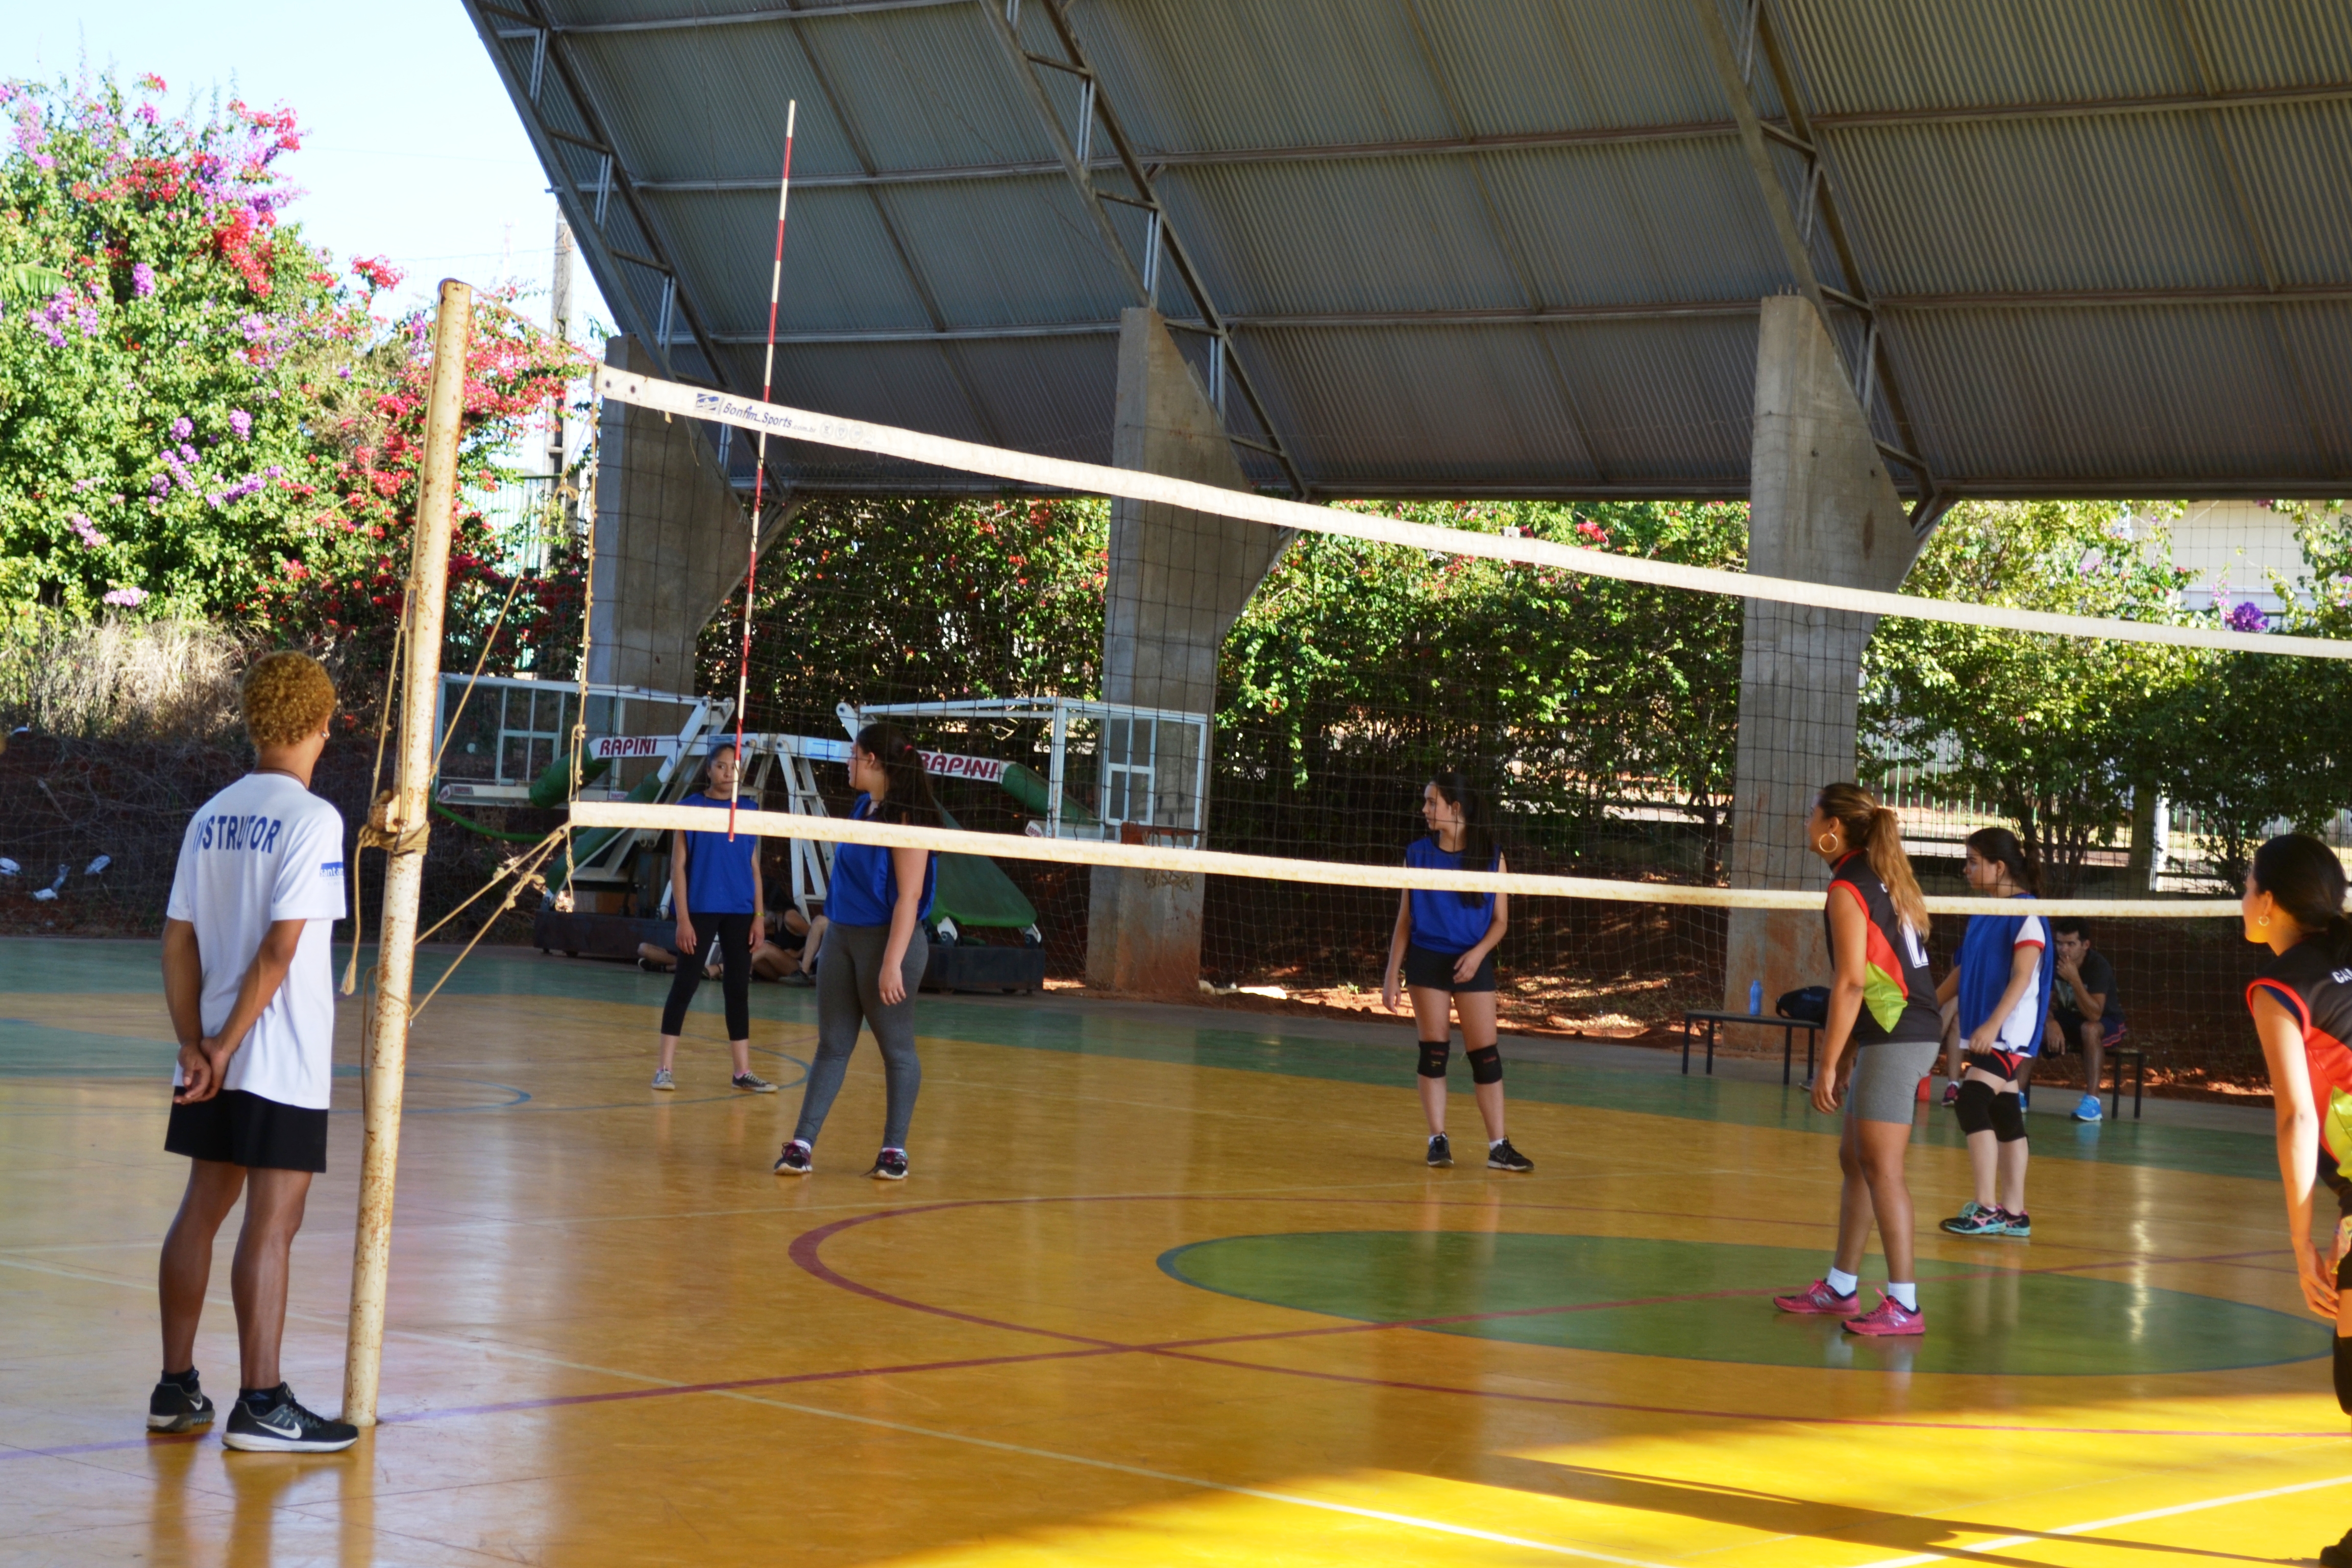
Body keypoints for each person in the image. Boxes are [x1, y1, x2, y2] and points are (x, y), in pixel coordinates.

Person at [151, 651, 358, 1451]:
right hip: (276, 1055)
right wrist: (231, 1047)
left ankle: (175, 1390)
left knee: (202, 1211)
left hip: (211, 1055)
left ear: (254, 722)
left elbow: (176, 944)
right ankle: (262, 1403)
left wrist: (195, 1048)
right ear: (320, 724)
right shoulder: (314, 821)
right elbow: (279, 953)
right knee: (272, 1225)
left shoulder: (211, 815)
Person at [1771, 782, 1940, 1336]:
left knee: (1883, 1169)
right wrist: (1847, 1060)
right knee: (1856, 1159)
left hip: (1899, 1034)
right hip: (1890, 1030)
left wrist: (1826, 1063)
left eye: (1810, 816)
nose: (1805, 825)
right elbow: (1871, 979)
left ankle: (1905, 1304)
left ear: (1833, 829)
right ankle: (1842, 1286)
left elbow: (1847, 983)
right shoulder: (1881, 877)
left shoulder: (1850, 886)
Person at [2236, 835, 2352, 1568]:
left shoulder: (2282, 988)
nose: (2241, 896)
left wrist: (2300, 1238)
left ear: (2270, 902)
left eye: (2246, 883)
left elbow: (2297, 1118)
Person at [774, 724, 939, 1180]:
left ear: (872, 761)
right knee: (832, 1046)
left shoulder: (908, 819)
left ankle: (894, 1151)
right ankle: (801, 1146)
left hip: (890, 945)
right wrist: (827, 926)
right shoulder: (864, 807)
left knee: (897, 1050)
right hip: (843, 939)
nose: (847, 763)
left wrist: (891, 964)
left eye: (853, 755)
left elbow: (908, 897)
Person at [1380, 773, 1534, 1173]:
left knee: (1486, 1056)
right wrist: (1391, 974)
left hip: (1472, 961)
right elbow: (1404, 920)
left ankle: (1498, 1147)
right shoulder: (1416, 854)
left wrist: (1478, 953)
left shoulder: (1491, 856)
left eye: (1432, 803)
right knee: (1434, 1052)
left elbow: (1500, 921)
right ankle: (1438, 1140)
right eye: (1426, 802)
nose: (1425, 810)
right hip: (1428, 959)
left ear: (1456, 808)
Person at [1936, 827, 2053, 1240]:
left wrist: (1991, 1025)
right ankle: (2015, 1214)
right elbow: (1964, 969)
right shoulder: (1986, 912)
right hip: (1993, 1031)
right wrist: (1929, 1003)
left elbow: (2023, 977)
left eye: (1972, 861)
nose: (1965, 869)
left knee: (1971, 1102)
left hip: (2011, 1033)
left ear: (1998, 867)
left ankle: (1986, 1209)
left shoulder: (2028, 913)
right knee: (2004, 1114)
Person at [650, 742, 776, 1094]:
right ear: (708, 770)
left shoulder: (748, 811)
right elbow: (678, 867)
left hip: (740, 910)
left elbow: (754, 868)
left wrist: (759, 917)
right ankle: (664, 1069)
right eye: (721, 766)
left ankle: (742, 1072)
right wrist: (683, 919)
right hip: (701, 907)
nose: (727, 773)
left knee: (738, 989)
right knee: (686, 985)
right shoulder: (690, 808)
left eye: (733, 767)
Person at [2044, 917, 2123, 1122]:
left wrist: (2075, 979)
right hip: (2069, 1017)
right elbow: (2040, 1002)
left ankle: (2093, 1102)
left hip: (2106, 1021)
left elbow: (2095, 1015)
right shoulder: (2051, 961)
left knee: (2090, 1028)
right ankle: (2018, 1097)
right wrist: (2050, 1022)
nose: (2064, 950)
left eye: (2071, 944)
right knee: (2035, 1024)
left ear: (2085, 945)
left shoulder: (2098, 966)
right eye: (2060, 943)